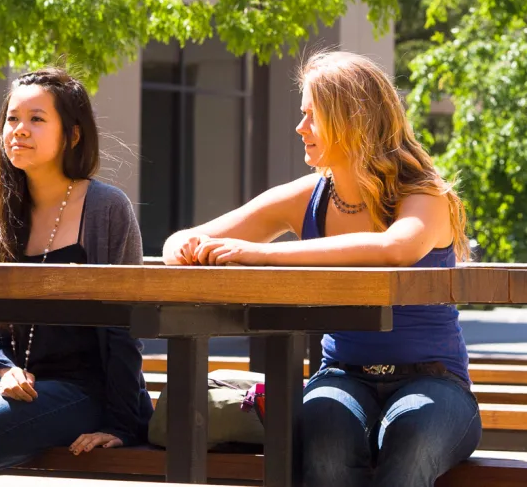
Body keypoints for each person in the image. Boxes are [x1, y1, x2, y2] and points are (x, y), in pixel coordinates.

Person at [163, 51, 479, 487]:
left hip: (435, 382)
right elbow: (186, 238)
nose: (300, 128)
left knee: (412, 436)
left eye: (312, 116)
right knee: (325, 435)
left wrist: (263, 255)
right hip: (342, 377)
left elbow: (394, 249)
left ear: (351, 119)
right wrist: (182, 246)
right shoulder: (306, 196)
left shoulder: (424, 196)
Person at [0, 68, 152, 473]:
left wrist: (122, 425)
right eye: (12, 119)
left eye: (37, 119)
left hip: (85, 390)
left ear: (73, 135)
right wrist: (5, 368)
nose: (19, 130)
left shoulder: (106, 208)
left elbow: (124, 326)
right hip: (15, 379)